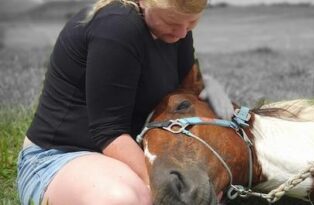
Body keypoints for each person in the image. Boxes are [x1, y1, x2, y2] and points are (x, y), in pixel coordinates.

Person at [16, 0, 234, 204]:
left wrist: (206, 85)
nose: (182, 33)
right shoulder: (116, 27)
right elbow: (108, 132)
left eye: (192, 22)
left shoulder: (178, 29)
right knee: (127, 199)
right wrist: (165, 189)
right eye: (172, 22)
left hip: (130, 150)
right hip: (60, 156)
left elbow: (184, 91)